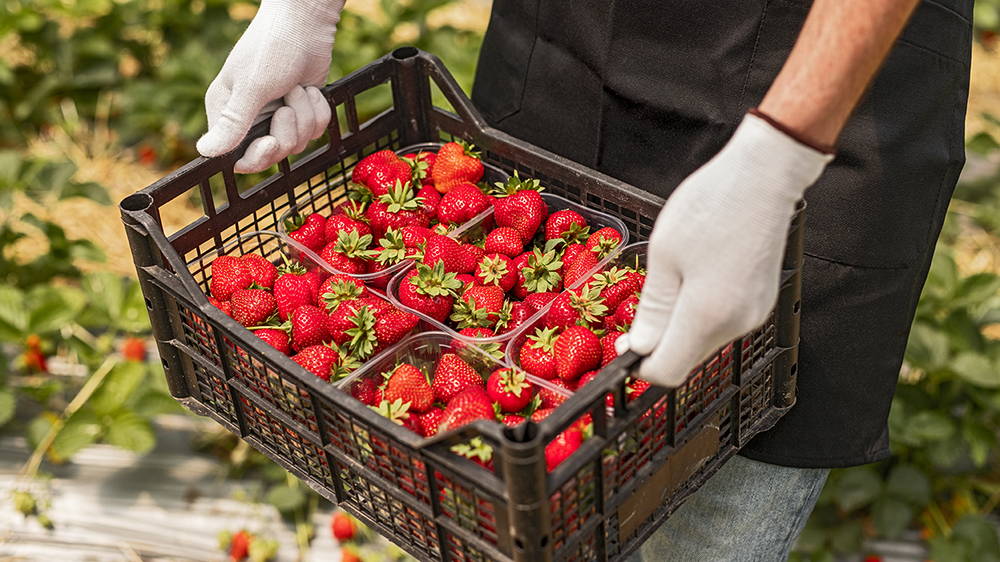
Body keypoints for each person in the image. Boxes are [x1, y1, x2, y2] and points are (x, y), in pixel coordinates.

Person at [196, 0, 974, 559]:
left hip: (829, 80)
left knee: (711, 527)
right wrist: (306, 7)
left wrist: (781, 159)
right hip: (570, 45)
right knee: (499, 520)